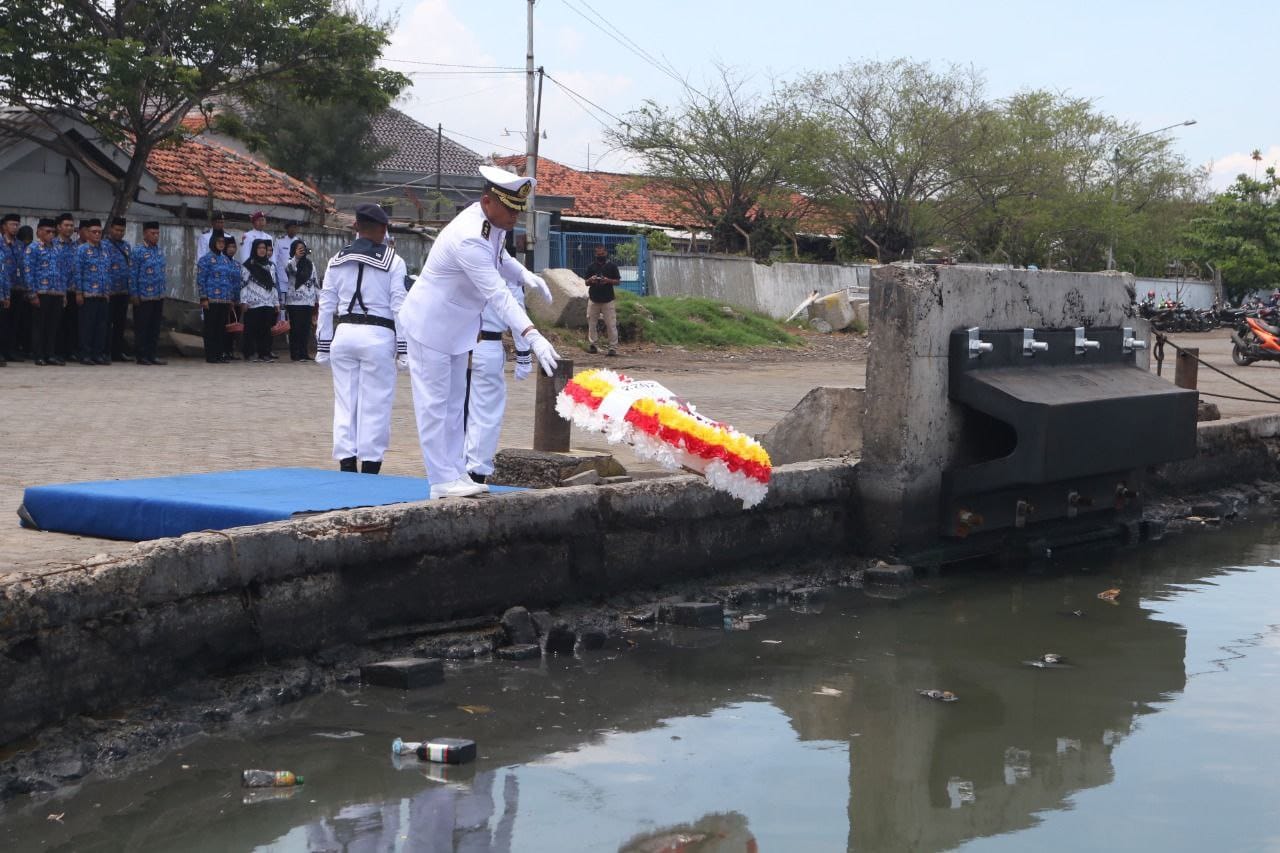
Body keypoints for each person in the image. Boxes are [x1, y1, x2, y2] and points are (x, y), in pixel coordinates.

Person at [397, 164, 558, 499]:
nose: (515, 217)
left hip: (456, 328)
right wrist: (533, 335)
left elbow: (499, 258)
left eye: (518, 210)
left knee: (456, 403)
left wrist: (524, 274)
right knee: (434, 404)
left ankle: (456, 472)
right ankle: (440, 479)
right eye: (510, 209)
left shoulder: (491, 224)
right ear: (488, 201)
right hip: (430, 326)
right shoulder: (469, 236)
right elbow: (497, 294)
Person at [315, 203, 408, 474]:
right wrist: (403, 349)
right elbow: (399, 307)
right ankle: (370, 466)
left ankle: (346, 462)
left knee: (345, 401)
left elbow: (326, 302)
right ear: (382, 229)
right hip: (378, 335)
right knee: (375, 403)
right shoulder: (394, 261)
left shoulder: (336, 259)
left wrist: (323, 345)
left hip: (343, 334)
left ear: (356, 227)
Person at [463, 284, 533, 483]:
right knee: (485, 412)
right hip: (487, 345)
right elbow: (517, 315)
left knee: (455, 410)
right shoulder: (505, 274)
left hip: (456, 344)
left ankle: (454, 469)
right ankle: (475, 472)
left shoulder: (460, 260)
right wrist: (523, 355)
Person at [70, 218, 112, 365]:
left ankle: (98, 353)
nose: (97, 235)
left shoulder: (105, 250)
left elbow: (108, 272)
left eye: (99, 232)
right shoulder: (81, 250)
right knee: (86, 326)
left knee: (101, 326)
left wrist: (107, 291)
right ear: (87, 233)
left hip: (102, 294)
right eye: (94, 232)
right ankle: (85, 354)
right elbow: (77, 272)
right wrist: (79, 292)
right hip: (87, 294)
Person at [25, 219, 66, 366]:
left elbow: (62, 271)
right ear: (39, 232)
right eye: (47, 231)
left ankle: (50, 354)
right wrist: (32, 293)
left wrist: (63, 293)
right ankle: (39, 355)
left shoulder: (57, 248)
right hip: (41, 293)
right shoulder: (33, 248)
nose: (51, 235)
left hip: (56, 293)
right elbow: (28, 271)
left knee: (53, 326)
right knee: (39, 326)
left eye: (53, 232)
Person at [129, 221, 167, 365]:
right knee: (142, 327)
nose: (156, 236)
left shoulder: (159, 250)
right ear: (145, 233)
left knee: (155, 327)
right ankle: (141, 355)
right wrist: (134, 294)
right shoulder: (138, 251)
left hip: (158, 295)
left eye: (157, 233)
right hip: (143, 295)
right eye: (153, 233)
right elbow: (133, 274)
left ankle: (152, 354)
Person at [196, 230, 237, 364]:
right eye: (219, 242)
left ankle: (220, 354)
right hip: (211, 299)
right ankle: (211, 355)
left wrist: (231, 299)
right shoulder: (205, 260)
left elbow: (230, 280)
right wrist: (203, 298)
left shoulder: (226, 260)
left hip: (224, 300)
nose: (221, 244)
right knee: (210, 328)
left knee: (221, 328)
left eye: (223, 242)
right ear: (213, 242)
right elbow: (201, 279)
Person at [239, 238, 279, 362]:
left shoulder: (270, 266)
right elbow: (243, 284)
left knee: (266, 329)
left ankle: (264, 354)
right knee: (251, 329)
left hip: (267, 302)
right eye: (259, 248)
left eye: (264, 248)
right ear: (254, 249)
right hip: (253, 303)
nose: (262, 250)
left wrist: (276, 303)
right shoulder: (248, 265)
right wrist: (243, 301)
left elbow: (273, 285)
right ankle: (249, 354)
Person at [283, 239, 318, 362]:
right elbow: (290, 271)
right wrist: (296, 258)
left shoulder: (310, 264)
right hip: (294, 302)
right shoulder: (289, 263)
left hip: (308, 301)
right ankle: (295, 353)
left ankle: (304, 353)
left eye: (303, 248)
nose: (301, 250)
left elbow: (315, 282)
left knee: (305, 329)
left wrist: (317, 299)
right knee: (296, 328)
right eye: (298, 248)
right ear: (293, 250)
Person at [583, 244, 621, 356]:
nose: (600, 256)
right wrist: (591, 279)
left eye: (602, 254)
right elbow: (586, 282)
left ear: (606, 253)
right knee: (591, 323)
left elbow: (618, 281)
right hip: (593, 299)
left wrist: (607, 280)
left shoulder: (612, 266)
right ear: (595, 254)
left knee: (611, 324)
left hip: (608, 300)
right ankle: (593, 345)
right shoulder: (591, 266)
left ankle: (613, 348)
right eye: (598, 254)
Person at [104, 217, 133, 362]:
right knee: (106, 323)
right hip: (109, 291)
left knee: (120, 323)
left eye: (122, 230)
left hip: (123, 291)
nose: (119, 233)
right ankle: (105, 351)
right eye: (117, 230)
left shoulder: (126, 246)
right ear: (110, 229)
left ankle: (117, 351)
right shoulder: (104, 246)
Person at [1, 214, 26, 362]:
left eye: (17, 225)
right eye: (12, 224)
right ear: (4, 226)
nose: (15, 227)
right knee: (2, 322)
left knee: (14, 322)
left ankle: (10, 350)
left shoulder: (19, 245)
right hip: (3, 287)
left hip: (17, 288)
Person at [53, 213, 77, 361]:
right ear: (59, 227)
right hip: (57, 290)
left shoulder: (76, 247)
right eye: (66, 225)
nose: (69, 228)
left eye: (71, 225)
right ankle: (57, 352)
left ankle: (70, 351)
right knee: (57, 323)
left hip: (73, 290)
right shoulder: (53, 245)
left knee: (72, 322)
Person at [222, 236, 242, 360]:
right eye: (229, 247)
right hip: (225, 300)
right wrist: (228, 299)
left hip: (237, 300)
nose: (232, 249)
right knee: (225, 327)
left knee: (234, 327)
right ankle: (223, 351)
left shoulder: (237, 264)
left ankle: (230, 351)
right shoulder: (222, 262)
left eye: (234, 247)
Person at [273, 220, 301, 290]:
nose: (293, 230)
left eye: (295, 228)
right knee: (282, 299)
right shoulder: (279, 241)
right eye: (291, 227)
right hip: (282, 278)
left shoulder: (300, 242)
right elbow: (274, 259)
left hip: (295, 278)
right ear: (287, 229)